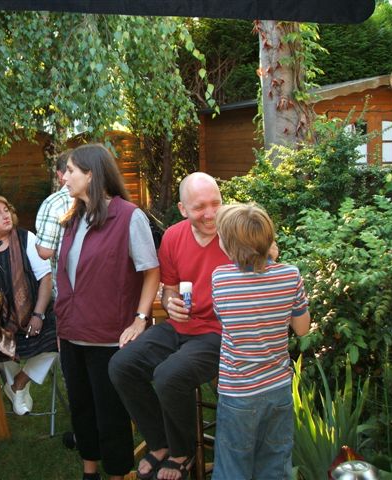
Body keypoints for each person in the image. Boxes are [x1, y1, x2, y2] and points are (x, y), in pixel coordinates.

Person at [109, 172, 229, 480]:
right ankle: (160, 441)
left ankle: (182, 451)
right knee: (122, 365)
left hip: (220, 332)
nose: (210, 213)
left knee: (168, 375)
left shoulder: (234, 230)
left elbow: (269, 253)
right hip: (181, 326)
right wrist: (172, 302)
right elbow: (171, 289)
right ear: (182, 209)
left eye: (215, 203)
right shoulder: (174, 236)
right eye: (200, 207)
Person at [54, 143, 160, 480]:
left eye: (71, 171)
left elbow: (151, 270)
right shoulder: (73, 219)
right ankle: (90, 471)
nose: (64, 177)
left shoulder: (129, 217)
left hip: (108, 336)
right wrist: (62, 328)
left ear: (91, 174)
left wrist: (140, 319)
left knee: (110, 413)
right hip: (72, 332)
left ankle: (117, 473)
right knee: (81, 408)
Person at [211, 203, 310, 480]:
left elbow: (223, 318)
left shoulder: (221, 279)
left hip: (238, 394)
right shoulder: (290, 275)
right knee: (275, 466)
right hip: (278, 390)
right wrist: (272, 261)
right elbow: (302, 328)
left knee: (232, 468)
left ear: (230, 247)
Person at [0, 194, 58, 416]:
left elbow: (46, 279)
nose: (5, 215)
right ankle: (16, 391)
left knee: (58, 338)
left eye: (6, 210)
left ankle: (19, 383)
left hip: (33, 314)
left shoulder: (26, 238)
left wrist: (38, 314)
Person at [35, 149, 73, 297]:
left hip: (68, 292)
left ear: (59, 174)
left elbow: (45, 251)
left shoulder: (54, 203)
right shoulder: (102, 199)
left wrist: (37, 241)